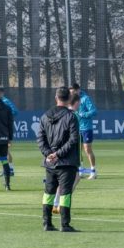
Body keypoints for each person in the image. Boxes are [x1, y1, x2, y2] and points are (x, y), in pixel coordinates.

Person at [37, 86, 80, 232]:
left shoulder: (44, 116)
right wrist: (59, 154)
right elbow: (73, 139)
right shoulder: (71, 116)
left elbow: (40, 139)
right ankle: (65, 224)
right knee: (65, 193)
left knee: (48, 192)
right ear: (69, 99)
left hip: (50, 162)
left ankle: (46, 223)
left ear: (56, 98)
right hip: (66, 162)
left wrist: (48, 153)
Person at [53, 93, 82, 214]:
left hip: (58, 151)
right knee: (73, 178)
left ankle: (55, 203)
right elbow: (74, 138)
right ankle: (61, 204)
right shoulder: (74, 115)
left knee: (64, 179)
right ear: (77, 102)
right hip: (70, 153)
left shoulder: (59, 113)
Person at [69, 83, 98, 179]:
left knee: (87, 149)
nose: (72, 94)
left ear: (78, 90)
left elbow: (94, 111)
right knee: (77, 151)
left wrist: (83, 114)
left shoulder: (86, 98)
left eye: (73, 92)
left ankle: (93, 171)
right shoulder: (71, 99)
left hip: (86, 128)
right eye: (70, 92)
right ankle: (81, 171)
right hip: (76, 128)